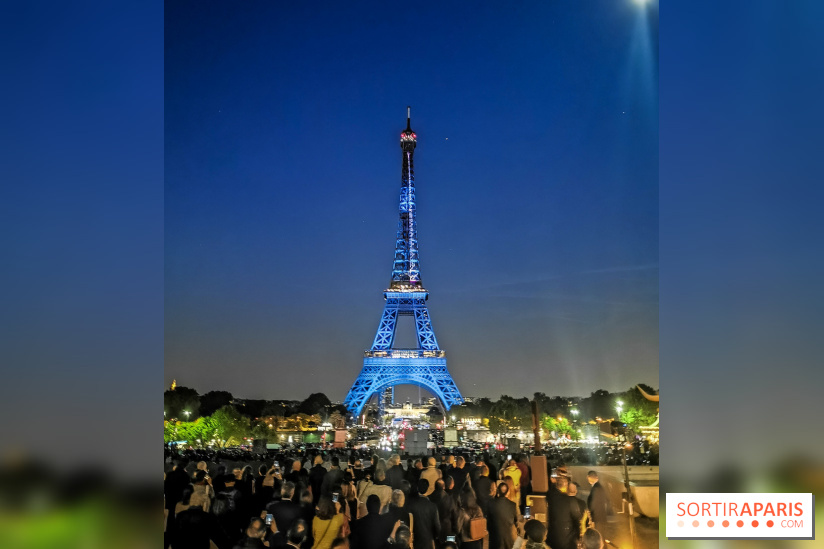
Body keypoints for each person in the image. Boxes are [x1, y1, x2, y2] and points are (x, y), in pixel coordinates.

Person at [546, 477, 583, 549]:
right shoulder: (570, 501)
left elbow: (551, 491)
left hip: (553, 539)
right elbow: (578, 520)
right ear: (566, 486)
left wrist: (554, 483)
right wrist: (579, 537)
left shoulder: (550, 496)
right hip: (567, 541)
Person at [406, 478, 441, 549]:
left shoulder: (411, 504)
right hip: (428, 541)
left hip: (415, 541)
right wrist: (435, 537)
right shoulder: (432, 506)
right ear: (428, 488)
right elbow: (437, 526)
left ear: (417, 488)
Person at [487, 483, 518, 549]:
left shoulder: (490, 503)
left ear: (498, 491)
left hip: (495, 539)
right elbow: (515, 521)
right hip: (508, 540)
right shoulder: (513, 505)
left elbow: (488, 523)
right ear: (508, 492)